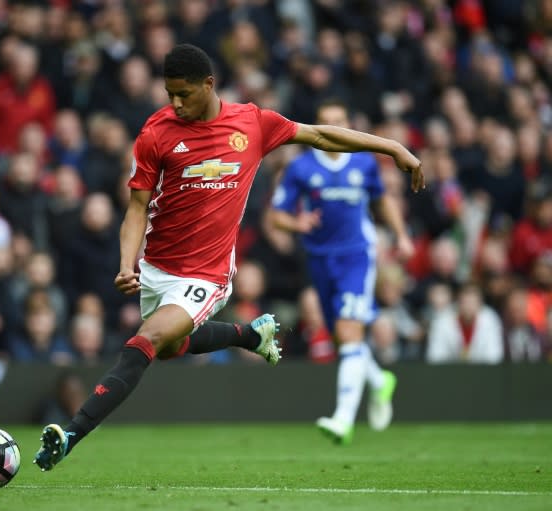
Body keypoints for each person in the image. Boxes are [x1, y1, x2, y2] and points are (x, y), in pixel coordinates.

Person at [34, 44, 423, 471]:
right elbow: (136, 206)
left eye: (184, 94)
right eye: (169, 95)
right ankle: (249, 336)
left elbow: (321, 134)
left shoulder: (252, 123)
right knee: (170, 347)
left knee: (148, 340)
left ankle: (70, 433)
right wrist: (127, 263)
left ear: (209, 85)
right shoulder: (155, 132)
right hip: (157, 267)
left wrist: (391, 147)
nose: (176, 103)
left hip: (209, 272)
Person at [268, 99, 415, 444]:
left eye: (340, 121)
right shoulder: (301, 168)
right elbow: (277, 214)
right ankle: (380, 381)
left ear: (349, 123)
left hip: (356, 257)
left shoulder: (364, 162)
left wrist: (402, 235)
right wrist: (296, 222)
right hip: (319, 259)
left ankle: (342, 419)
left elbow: (381, 201)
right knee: (340, 338)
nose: (334, 128)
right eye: (326, 122)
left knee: (349, 334)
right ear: (319, 127)